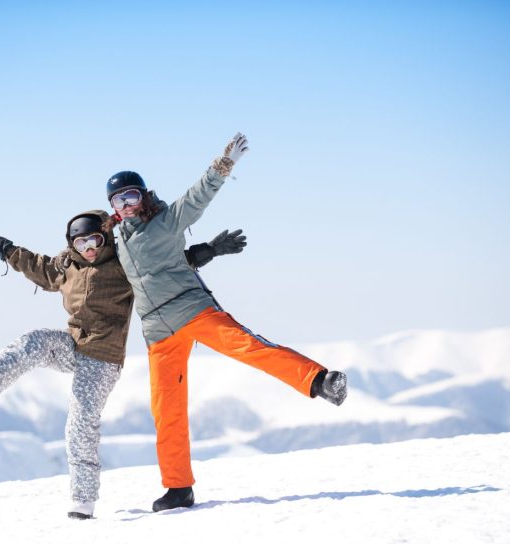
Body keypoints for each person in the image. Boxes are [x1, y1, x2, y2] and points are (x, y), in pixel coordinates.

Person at [103, 133, 348, 513]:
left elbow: (196, 197)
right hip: (157, 333)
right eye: (120, 201)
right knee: (166, 410)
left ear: (144, 196)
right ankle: (178, 488)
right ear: (113, 208)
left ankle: (320, 380)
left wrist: (223, 164)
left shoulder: (165, 221)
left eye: (132, 196)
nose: (127, 205)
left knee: (250, 347)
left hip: (193, 311)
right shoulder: (116, 243)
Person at [0, 212, 246, 520]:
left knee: (80, 421)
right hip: (73, 345)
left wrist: (211, 251)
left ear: (105, 237)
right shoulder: (66, 265)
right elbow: (33, 264)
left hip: (103, 358)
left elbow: (163, 266)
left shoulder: (124, 263)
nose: (89, 248)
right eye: (81, 242)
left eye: (95, 240)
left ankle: (82, 502)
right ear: (71, 243)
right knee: (35, 341)